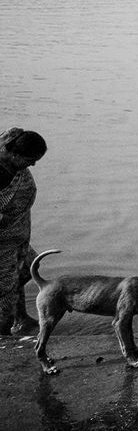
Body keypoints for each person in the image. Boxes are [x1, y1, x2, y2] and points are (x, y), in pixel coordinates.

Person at [0, 127, 47, 335]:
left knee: (29, 266)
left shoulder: (9, 142)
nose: (33, 164)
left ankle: (20, 319)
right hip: (4, 241)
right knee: (4, 293)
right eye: (30, 159)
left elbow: (12, 132)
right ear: (14, 154)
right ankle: (5, 339)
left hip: (18, 235)